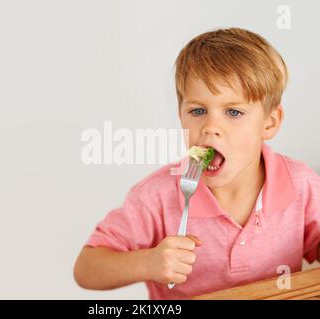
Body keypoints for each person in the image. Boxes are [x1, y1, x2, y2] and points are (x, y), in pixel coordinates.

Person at [74, 27, 320, 300]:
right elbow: (86, 268)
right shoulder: (156, 197)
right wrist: (149, 263)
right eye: (198, 111)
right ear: (181, 116)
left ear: (269, 122)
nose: (210, 127)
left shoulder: (302, 185)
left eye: (233, 112)